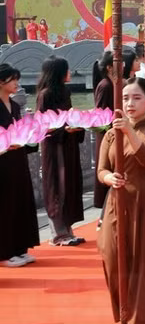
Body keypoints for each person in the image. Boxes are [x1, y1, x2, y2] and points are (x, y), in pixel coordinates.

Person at [97, 77, 145, 324]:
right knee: (112, 255)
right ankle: (125, 312)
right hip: (118, 202)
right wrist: (109, 178)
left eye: (137, 98)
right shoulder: (111, 134)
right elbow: (102, 170)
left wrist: (129, 131)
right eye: (125, 98)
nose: (130, 103)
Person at [37, 56, 86, 246]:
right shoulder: (45, 95)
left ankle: (68, 230)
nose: (70, 73)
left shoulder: (65, 91)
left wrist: (77, 124)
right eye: (67, 69)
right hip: (54, 145)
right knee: (57, 185)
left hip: (68, 143)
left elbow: (69, 114)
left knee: (70, 183)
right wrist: (64, 130)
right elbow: (43, 124)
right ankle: (58, 234)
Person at [0, 64, 39, 267]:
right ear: (1, 81)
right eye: (13, 79)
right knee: (4, 205)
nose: (17, 83)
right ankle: (4, 253)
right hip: (2, 160)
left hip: (17, 159)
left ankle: (18, 248)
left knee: (19, 202)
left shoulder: (15, 105)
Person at [92, 51, 115, 222]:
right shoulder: (105, 85)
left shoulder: (113, 83)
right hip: (107, 133)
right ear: (109, 67)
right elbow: (100, 113)